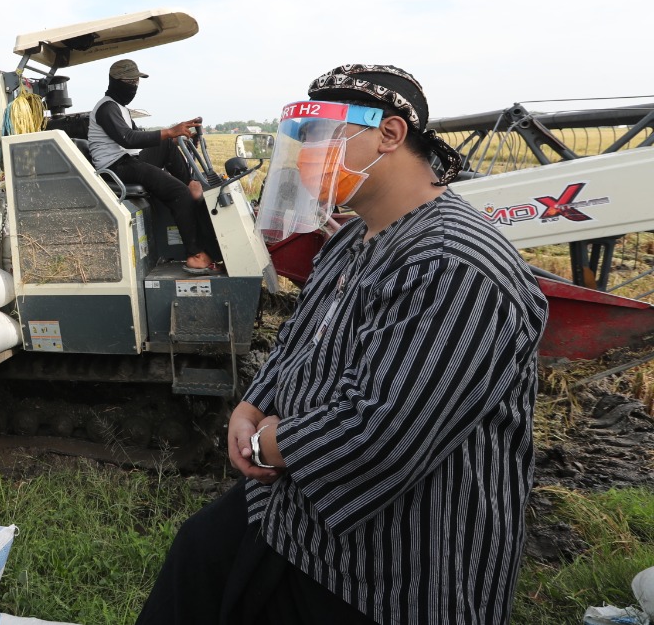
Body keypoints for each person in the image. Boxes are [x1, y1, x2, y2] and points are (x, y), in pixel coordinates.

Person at [136, 64, 547, 625]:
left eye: (323, 138)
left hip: (397, 558)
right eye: (301, 141)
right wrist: (253, 403)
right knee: (198, 558)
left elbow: (384, 430)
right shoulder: (352, 237)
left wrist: (269, 445)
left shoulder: (454, 264)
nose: (308, 156)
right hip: (299, 509)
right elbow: (304, 339)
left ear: (391, 134)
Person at [87, 58, 213, 273]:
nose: (134, 87)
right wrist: (170, 131)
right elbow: (128, 139)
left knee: (168, 147)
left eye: (137, 82)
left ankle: (191, 185)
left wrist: (176, 137)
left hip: (127, 160)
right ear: (116, 82)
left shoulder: (121, 108)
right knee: (178, 193)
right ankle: (194, 254)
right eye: (130, 82)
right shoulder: (106, 108)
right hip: (116, 167)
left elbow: (140, 139)